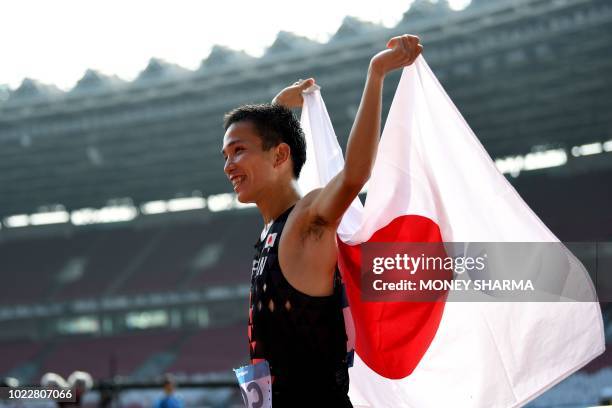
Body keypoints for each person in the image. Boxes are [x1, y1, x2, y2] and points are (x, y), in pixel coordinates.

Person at [222, 35, 422, 406]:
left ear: (280, 155)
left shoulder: (309, 220)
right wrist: (279, 109)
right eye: (225, 154)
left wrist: (376, 75)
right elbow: (274, 156)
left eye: (238, 151)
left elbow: (354, 175)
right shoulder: (272, 230)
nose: (228, 165)